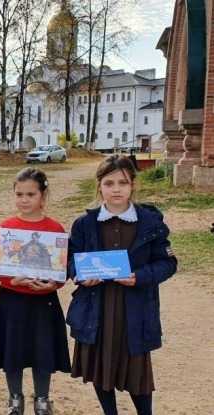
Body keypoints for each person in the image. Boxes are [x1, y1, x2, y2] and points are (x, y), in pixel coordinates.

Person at [66, 155, 177, 415]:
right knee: (100, 366)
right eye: (109, 183)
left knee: (137, 370)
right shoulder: (85, 224)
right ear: (99, 186)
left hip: (134, 310)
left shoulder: (151, 223)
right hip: (96, 308)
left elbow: (167, 264)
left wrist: (140, 277)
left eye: (123, 183)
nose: (116, 189)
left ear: (133, 185)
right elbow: (70, 259)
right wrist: (80, 275)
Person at [0, 168, 71, 415]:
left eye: (30, 194)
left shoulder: (55, 229)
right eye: (19, 194)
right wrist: (13, 280)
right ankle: (15, 398)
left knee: (43, 351)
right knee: (13, 350)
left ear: (42, 196)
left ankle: (42, 399)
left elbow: (62, 266)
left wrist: (54, 284)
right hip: (12, 299)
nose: (24, 199)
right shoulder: (7, 227)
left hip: (45, 301)